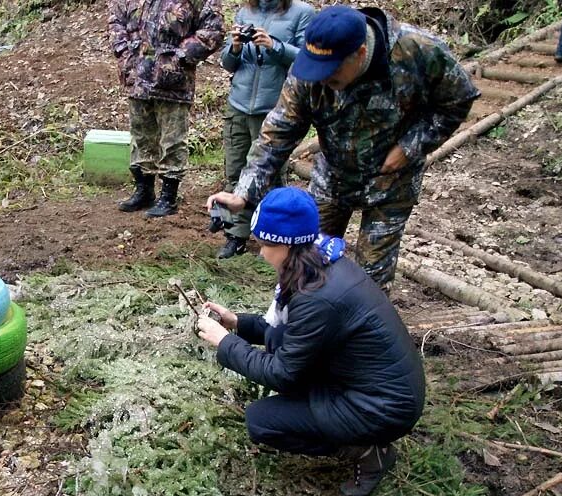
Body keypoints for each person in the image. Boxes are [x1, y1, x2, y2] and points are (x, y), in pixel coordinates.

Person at [207, 5, 480, 290]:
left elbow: (458, 99)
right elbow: (276, 134)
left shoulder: (418, 51)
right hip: (332, 179)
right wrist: (243, 193)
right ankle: (306, 329)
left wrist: (411, 147)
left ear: (360, 54)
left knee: (370, 281)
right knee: (305, 267)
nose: (322, 79)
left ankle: (358, 330)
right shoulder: (309, 70)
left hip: (391, 182)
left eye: (332, 74)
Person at [195, 187, 426, 496]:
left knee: (262, 421)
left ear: (286, 245)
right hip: (368, 383)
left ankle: (368, 451)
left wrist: (225, 343)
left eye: (265, 244)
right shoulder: (320, 263)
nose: (261, 253)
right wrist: (236, 323)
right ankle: (346, 427)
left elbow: (282, 372)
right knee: (277, 340)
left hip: (382, 407)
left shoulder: (318, 297)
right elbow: (284, 333)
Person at [217, 0, 315, 259]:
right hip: (239, 104)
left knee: (270, 178)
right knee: (234, 172)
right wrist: (236, 46)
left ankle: (272, 237)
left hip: (275, 108)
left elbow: (307, 58)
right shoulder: (245, 11)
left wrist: (274, 46)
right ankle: (233, 235)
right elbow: (227, 63)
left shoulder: (301, 13)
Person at [109, 0, 225, 218]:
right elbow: (115, 20)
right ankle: (144, 190)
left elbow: (213, 29)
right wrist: (124, 53)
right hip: (137, 78)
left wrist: (179, 58)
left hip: (173, 82)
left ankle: (168, 197)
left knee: (172, 140)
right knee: (141, 137)